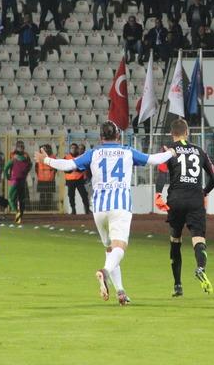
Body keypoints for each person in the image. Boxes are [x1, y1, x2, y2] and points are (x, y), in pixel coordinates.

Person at [35, 122, 175, 306]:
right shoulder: (127, 151)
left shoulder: (94, 153)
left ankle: (120, 291)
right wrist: (170, 153)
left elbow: (69, 165)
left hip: (100, 208)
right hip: (120, 206)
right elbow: (153, 160)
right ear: (118, 135)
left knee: (110, 249)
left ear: (101, 137)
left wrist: (46, 160)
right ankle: (105, 272)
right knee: (119, 247)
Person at [158, 119, 214, 297]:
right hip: (195, 199)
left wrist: (158, 193)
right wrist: (204, 192)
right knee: (198, 239)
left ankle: (177, 285)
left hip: (176, 199)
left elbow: (161, 173)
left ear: (172, 134)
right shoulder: (199, 151)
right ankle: (200, 268)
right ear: (187, 133)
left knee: (175, 239)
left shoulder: (168, 150)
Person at [4, 142, 32, 223]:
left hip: (14, 180)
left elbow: (6, 168)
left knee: (11, 198)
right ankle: (20, 215)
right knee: (21, 198)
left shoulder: (13, 157)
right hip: (23, 180)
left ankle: (17, 212)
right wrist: (25, 172)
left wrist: (7, 176)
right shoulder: (26, 156)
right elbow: (30, 165)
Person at [64, 143, 91, 214]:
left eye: (75, 148)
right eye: (72, 148)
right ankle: (73, 209)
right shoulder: (66, 157)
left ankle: (87, 209)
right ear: (70, 149)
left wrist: (74, 168)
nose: (73, 149)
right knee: (71, 195)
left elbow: (83, 168)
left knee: (84, 194)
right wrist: (74, 168)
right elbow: (65, 169)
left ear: (77, 149)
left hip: (79, 179)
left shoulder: (80, 157)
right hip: (70, 180)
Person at [35, 144, 57, 209]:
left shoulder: (53, 157)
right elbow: (36, 168)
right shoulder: (39, 157)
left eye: (45, 149)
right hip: (41, 179)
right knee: (42, 194)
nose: (44, 150)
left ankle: (48, 207)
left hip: (50, 179)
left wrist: (52, 174)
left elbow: (55, 168)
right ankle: (41, 207)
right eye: (43, 149)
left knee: (49, 194)